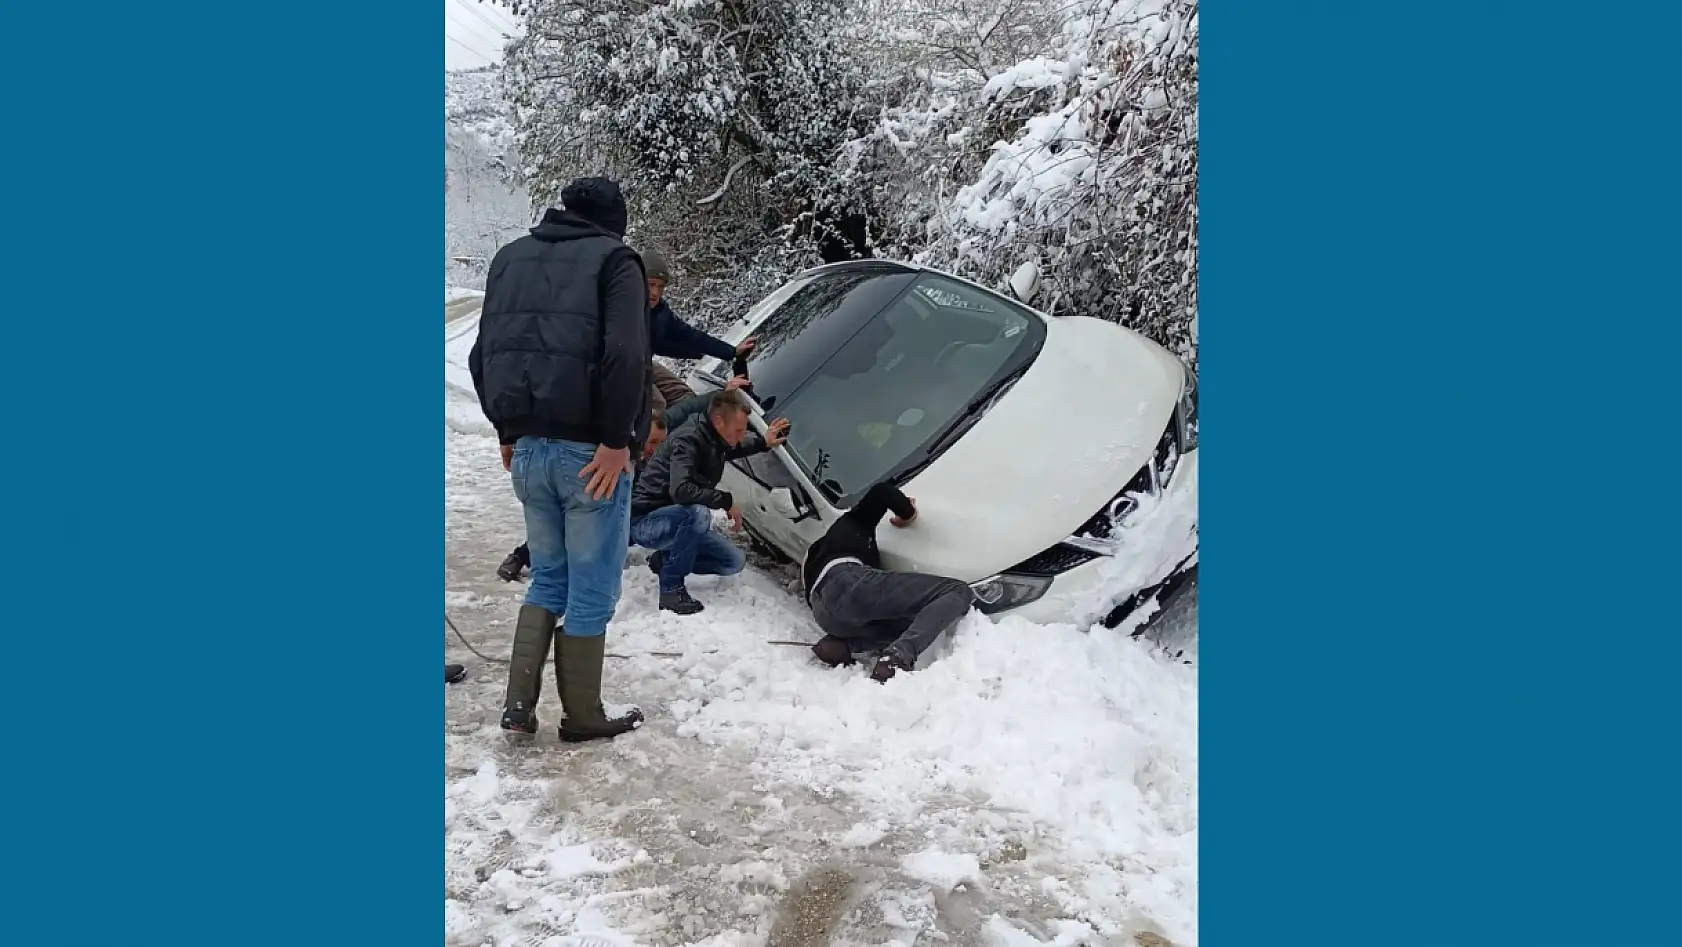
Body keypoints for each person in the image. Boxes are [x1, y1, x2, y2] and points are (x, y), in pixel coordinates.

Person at [469, 175, 649, 743]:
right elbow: (627, 352)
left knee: (547, 578)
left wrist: (507, 428)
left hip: (529, 450)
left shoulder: (509, 258)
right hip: (592, 452)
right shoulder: (616, 261)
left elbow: (484, 354)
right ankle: (584, 715)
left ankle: (518, 708)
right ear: (613, 222)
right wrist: (618, 438)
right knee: (592, 586)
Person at [630, 389, 791, 614]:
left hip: (677, 524)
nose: (741, 435)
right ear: (718, 421)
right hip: (646, 522)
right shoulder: (688, 440)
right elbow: (681, 491)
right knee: (697, 513)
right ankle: (671, 588)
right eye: (738, 430)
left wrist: (763, 442)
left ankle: (666, 561)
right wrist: (726, 501)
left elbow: (729, 449)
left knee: (733, 562)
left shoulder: (713, 438)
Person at [802, 481, 975, 682]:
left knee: (910, 622)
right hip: (847, 582)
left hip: (824, 615)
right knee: (956, 590)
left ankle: (840, 647)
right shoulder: (850, 525)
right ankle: (898, 656)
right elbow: (881, 491)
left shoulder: (817, 564)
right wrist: (907, 513)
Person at [496, 406, 671, 582]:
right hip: (595, 505)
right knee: (560, 530)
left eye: (661, 443)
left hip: (628, 517)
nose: (656, 448)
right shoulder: (616, 454)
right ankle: (519, 558)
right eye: (653, 441)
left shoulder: (656, 463)